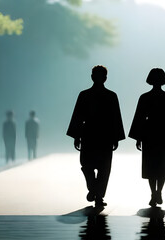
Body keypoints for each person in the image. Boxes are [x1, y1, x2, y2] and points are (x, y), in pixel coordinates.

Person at [67, 65, 125, 208]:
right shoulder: (111, 96)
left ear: (92, 77)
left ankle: (95, 191)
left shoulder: (85, 95)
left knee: (88, 165)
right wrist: (116, 137)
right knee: (103, 168)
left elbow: (78, 118)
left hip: (90, 134)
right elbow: (115, 119)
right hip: (104, 135)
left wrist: (76, 136)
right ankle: (97, 193)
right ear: (105, 78)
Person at [129, 68, 165, 207]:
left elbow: (139, 119)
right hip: (164, 134)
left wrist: (138, 137)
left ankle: (154, 192)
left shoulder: (145, 97)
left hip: (150, 134)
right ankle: (158, 191)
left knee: (151, 167)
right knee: (162, 167)